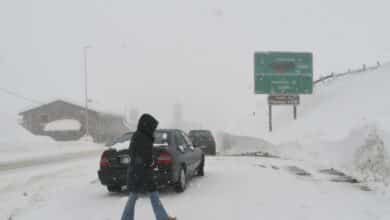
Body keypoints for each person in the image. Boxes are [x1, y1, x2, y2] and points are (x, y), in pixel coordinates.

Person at [121, 114, 176, 220]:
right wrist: (146, 164)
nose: (154, 130)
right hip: (139, 172)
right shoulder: (142, 137)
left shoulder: (142, 136)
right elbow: (137, 155)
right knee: (135, 197)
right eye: (153, 127)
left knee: (150, 195)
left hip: (142, 171)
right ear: (147, 126)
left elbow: (139, 154)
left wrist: (148, 163)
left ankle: (162, 217)